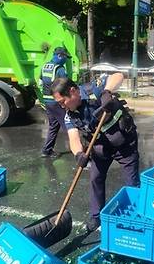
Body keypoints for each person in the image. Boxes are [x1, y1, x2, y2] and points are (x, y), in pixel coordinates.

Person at [51, 73, 139, 233]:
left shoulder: (93, 90)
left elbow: (118, 76)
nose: (62, 106)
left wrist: (107, 92)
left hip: (124, 141)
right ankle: (96, 215)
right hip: (100, 146)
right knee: (96, 178)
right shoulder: (69, 115)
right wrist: (78, 154)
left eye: (63, 101)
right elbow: (73, 137)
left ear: (73, 91)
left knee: (131, 182)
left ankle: (135, 216)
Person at [40, 46, 72, 157]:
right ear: (59, 56)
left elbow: (41, 81)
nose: (66, 60)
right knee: (70, 126)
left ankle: (47, 150)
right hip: (57, 102)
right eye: (65, 57)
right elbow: (66, 85)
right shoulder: (60, 69)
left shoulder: (45, 67)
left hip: (47, 102)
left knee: (53, 126)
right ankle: (81, 153)